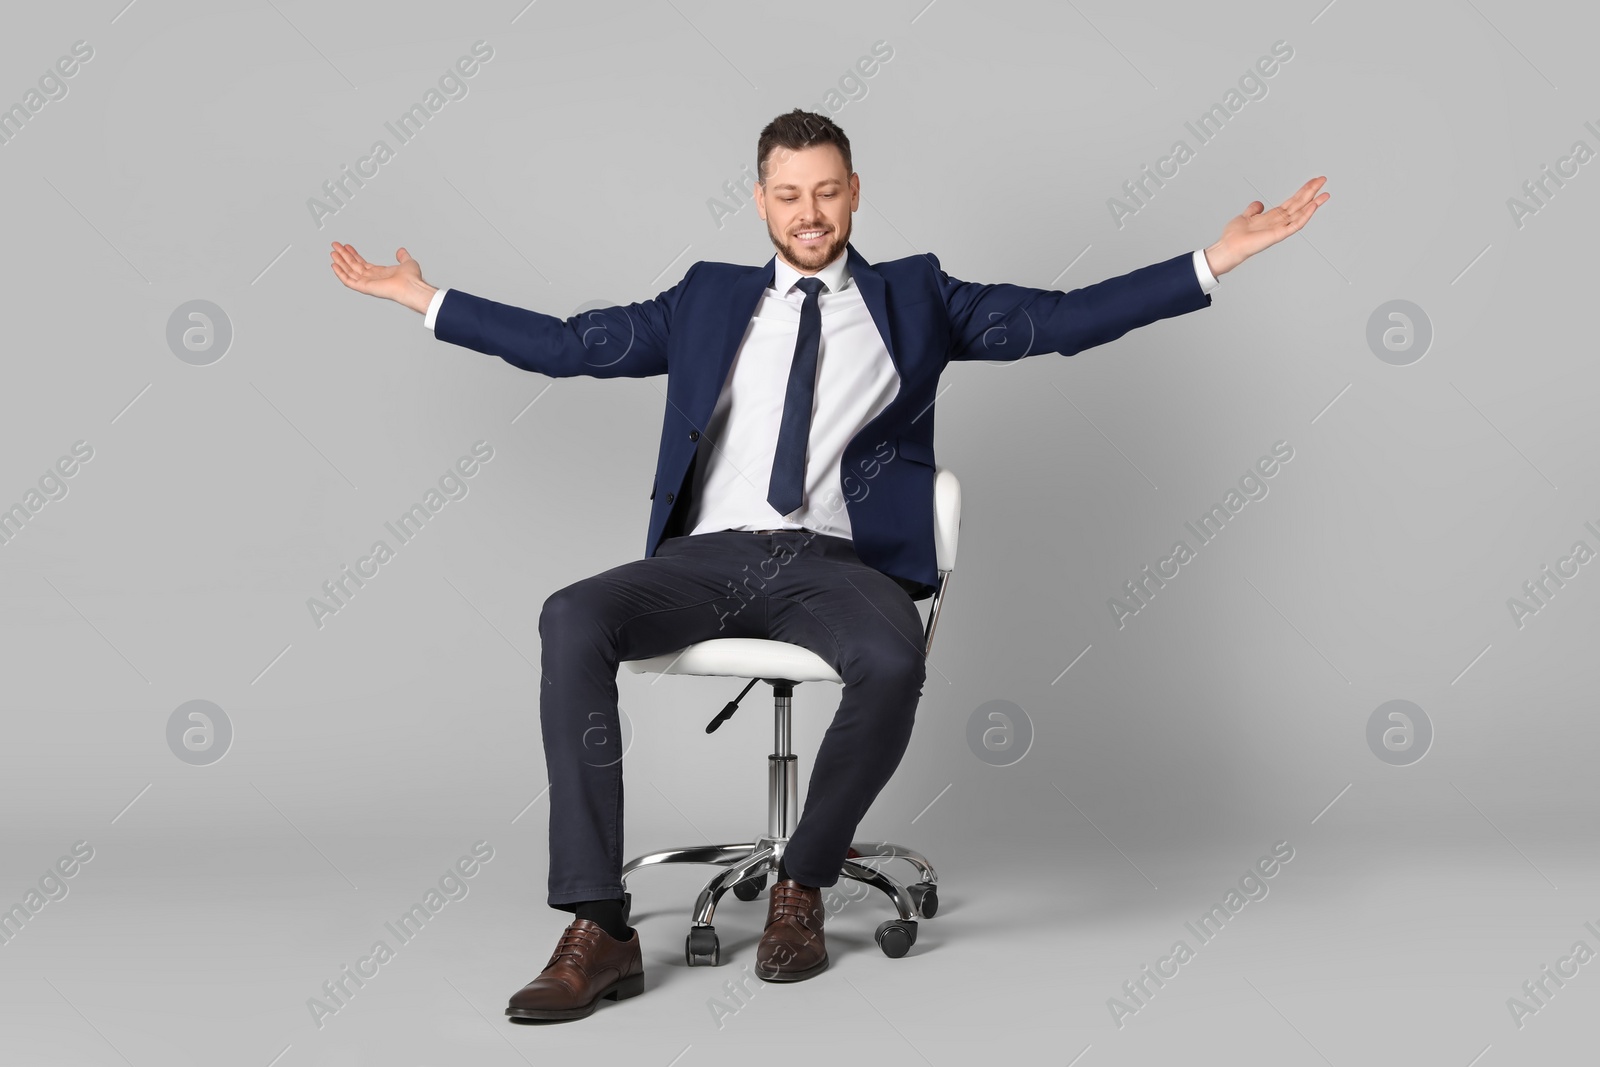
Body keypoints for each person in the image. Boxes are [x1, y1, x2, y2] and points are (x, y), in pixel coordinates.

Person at [331, 108, 1329, 1022]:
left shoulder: (918, 298)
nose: (809, 213)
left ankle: (802, 882)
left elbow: (1062, 320)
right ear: (759, 199)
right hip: (707, 559)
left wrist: (1214, 259)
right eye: (788, 193)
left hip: (839, 562)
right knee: (569, 616)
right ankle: (600, 927)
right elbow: (566, 345)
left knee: (893, 660)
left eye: (827, 190)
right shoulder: (705, 300)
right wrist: (421, 296)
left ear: (855, 191)